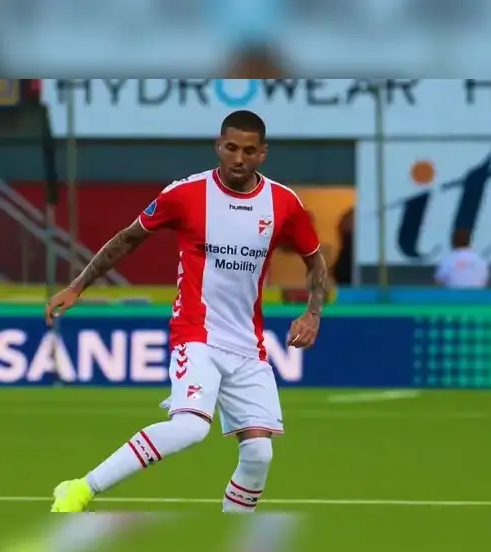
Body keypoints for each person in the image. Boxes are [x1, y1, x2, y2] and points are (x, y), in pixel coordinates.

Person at [43, 110, 326, 513]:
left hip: (247, 344)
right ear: (218, 145)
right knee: (191, 428)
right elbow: (128, 239)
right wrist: (77, 286)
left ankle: (228, 528)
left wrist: (313, 312)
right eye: (231, 148)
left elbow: (316, 262)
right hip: (196, 334)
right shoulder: (185, 194)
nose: (238, 158)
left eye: (249, 150)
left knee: (260, 454)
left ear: (263, 153)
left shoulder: (284, 204)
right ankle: (80, 488)